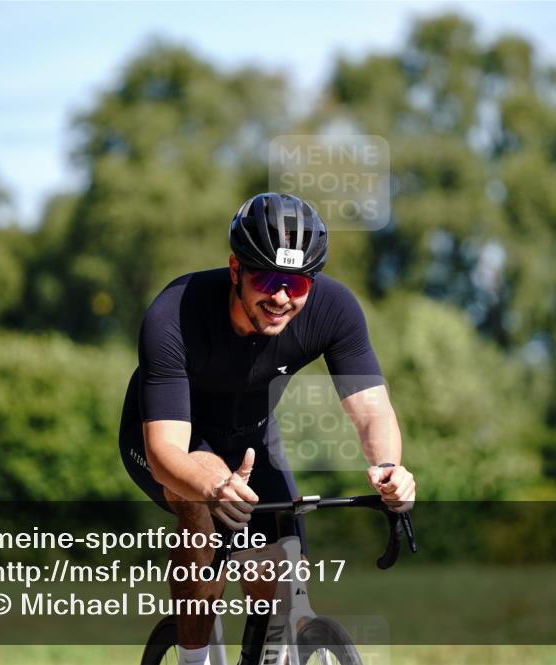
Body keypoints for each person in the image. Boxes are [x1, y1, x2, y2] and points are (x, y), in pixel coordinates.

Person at [119, 192, 415, 664]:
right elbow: (165, 451)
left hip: (252, 439)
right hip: (170, 437)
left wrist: (389, 468)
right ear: (236, 269)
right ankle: (194, 659)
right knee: (202, 516)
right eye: (268, 279)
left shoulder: (334, 309)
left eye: (297, 285)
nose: (281, 297)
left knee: (279, 571)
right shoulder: (174, 314)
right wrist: (213, 487)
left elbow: (372, 410)